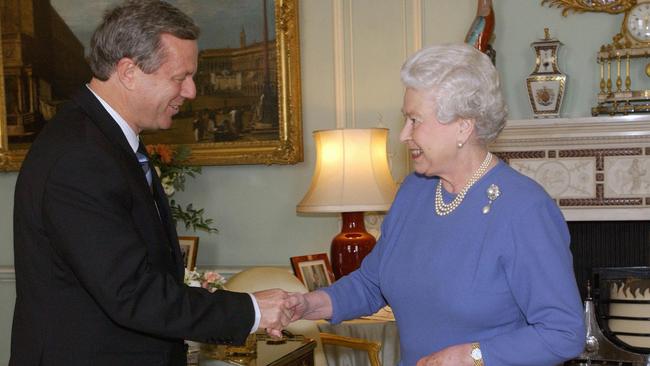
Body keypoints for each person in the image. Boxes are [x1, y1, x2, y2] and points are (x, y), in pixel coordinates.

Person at [11, 1, 294, 365]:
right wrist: (251, 310)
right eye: (179, 77)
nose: (190, 91)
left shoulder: (103, 139)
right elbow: (130, 293)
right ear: (128, 71)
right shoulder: (79, 156)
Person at [289, 44, 586, 366]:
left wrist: (473, 356)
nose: (403, 135)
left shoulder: (524, 209)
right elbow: (372, 282)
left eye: (415, 120)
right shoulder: (414, 191)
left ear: (463, 125)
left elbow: (563, 333)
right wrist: (308, 305)